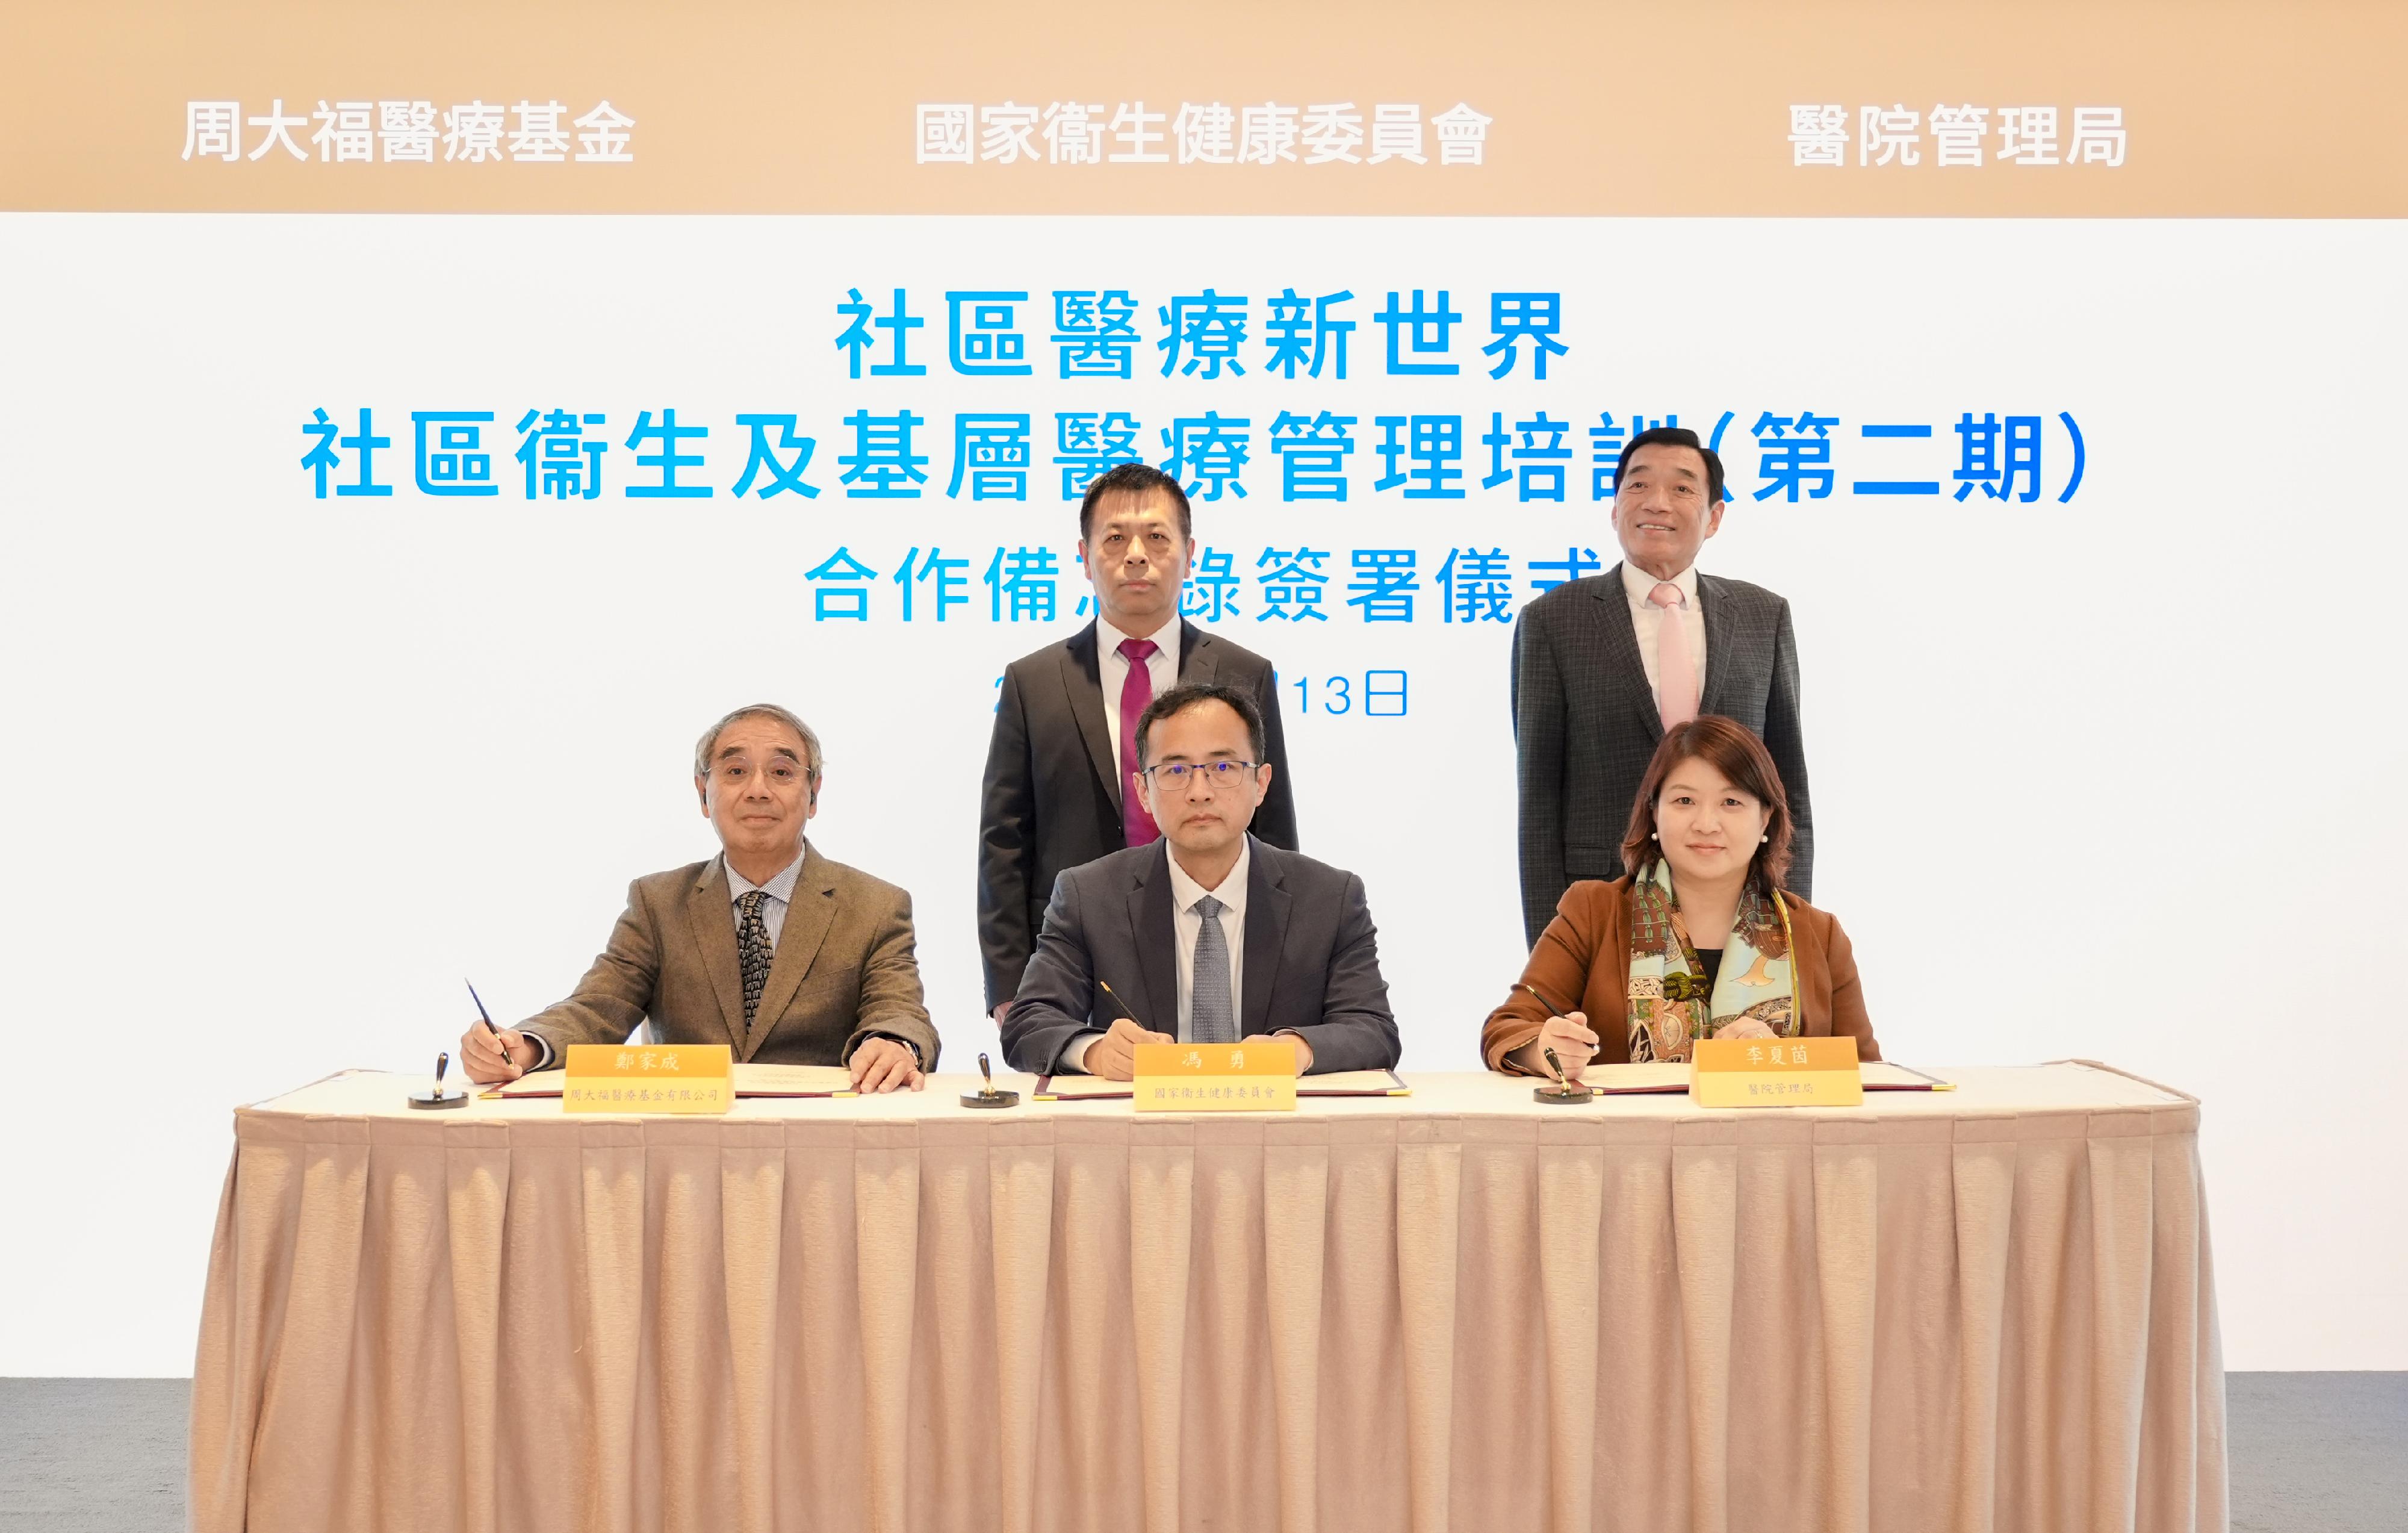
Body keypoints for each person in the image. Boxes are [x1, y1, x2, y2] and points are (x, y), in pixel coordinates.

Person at [460, 704, 937, 1093]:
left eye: (781, 772)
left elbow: (899, 1009)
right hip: (686, 1141)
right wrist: (523, 1046)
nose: (758, 790)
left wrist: (894, 1043)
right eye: (735, 771)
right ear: (703, 794)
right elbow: (597, 1008)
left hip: (823, 1141)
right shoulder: (657, 902)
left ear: (812, 795)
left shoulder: (875, 905)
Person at [979, 462, 1299, 1023]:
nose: (1135, 554)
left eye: (1156, 536)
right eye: (1114, 538)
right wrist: (1010, 987)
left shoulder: (1245, 671)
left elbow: (1272, 825)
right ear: (1083, 556)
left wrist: (1289, 965)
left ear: (1190, 552)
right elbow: (1003, 842)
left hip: (1218, 942)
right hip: (1073, 954)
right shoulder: (1033, 681)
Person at [1510, 425, 1814, 947]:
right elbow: (1538, 800)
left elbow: (1789, 790)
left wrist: (1794, 926)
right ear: (1614, 508)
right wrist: (1551, 948)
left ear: (1714, 516)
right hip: (1604, 903)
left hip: (1741, 909)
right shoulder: (1553, 621)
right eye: (1638, 485)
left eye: (1682, 488)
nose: (1657, 502)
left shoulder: (1764, 617)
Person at [1001, 683, 1396, 1080]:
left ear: (1261, 783)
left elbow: (1373, 1030)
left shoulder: (1331, 898)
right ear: (1142, 791)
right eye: (1175, 770)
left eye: (1223, 768)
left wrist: (1299, 1050)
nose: (1200, 792)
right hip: (1142, 1133)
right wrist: (1096, 1051)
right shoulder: (1088, 896)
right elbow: (1027, 1026)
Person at [1482, 715, 1875, 1078]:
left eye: (1732, 802)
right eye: (1684, 801)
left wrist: (1778, 1058)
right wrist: (1546, 1050)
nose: (1706, 824)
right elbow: (1507, 1030)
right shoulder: (1593, 912)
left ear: (1765, 819)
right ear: (1654, 812)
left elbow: (1866, 1074)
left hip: (1771, 1151)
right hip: (1627, 1149)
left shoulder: (1819, 935)